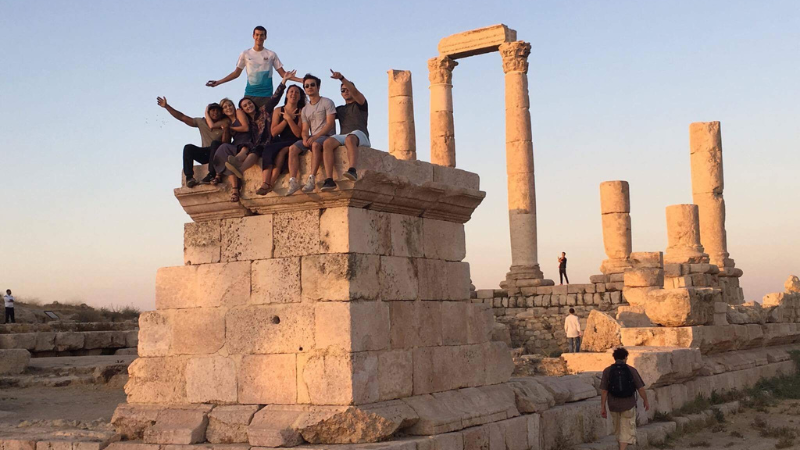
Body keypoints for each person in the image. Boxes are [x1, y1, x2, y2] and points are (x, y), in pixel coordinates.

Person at [224, 70, 295, 184]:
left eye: (249, 103)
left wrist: (284, 80)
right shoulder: (248, 122)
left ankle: (240, 167)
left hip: (271, 141)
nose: (248, 106)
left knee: (257, 149)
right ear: (242, 110)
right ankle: (239, 165)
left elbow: (275, 98)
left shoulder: (264, 110)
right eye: (245, 106)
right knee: (252, 149)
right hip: (258, 146)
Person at [206, 26, 301, 107]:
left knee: (266, 124)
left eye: (262, 35)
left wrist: (302, 80)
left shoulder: (271, 54)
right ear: (253, 36)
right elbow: (236, 73)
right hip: (250, 94)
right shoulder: (245, 54)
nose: (259, 37)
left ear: (265, 37)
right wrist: (219, 82)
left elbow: (283, 74)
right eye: (257, 35)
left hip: (266, 95)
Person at [156, 97, 227, 187]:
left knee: (215, 143)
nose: (215, 112)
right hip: (206, 154)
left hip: (218, 154)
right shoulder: (202, 122)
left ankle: (211, 175)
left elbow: (226, 142)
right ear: (208, 113)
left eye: (218, 111)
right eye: (213, 110)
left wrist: (226, 130)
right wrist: (166, 106)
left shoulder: (225, 124)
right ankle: (189, 177)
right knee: (188, 147)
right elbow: (182, 117)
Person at [285, 74, 336, 195]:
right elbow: (305, 128)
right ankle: (293, 181)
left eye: (312, 85)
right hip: (313, 137)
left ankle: (312, 178)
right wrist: (304, 138)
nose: (309, 87)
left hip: (326, 136)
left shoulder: (327, 102)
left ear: (318, 87)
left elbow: (330, 124)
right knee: (292, 148)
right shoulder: (305, 109)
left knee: (315, 145)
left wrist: (316, 137)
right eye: (306, 86)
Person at [319, 69, 370, 191]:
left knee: (350, 138)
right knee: (327, 143)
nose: (346, 91)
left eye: (348, 89)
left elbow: (356, 93)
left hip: (359, 134)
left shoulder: (361, 104)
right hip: (344, 135)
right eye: (343, 90)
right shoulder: (340, 109)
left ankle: (352, 170)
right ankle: (329, 180)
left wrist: (342, 78)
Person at [253, 83, 306, 195]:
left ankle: (270, 183)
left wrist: (290, 120)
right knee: (268, 149)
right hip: (280, 140)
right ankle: (265, 182)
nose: (294, 94)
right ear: (286, 95)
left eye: (297, 92)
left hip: (294, 141)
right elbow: (273, 132)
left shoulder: (302, 111)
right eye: (291, 91)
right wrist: (285, 120)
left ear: (300, 96)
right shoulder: (278, 110)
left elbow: (298, 134)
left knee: (282, 152)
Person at [600, 347, 649, 450]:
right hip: (628, 404)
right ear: (626, 357)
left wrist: (603, 407)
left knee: (618, 430)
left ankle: (620, 448)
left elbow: (604, 391)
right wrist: (645, 400)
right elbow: (640, 388)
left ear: (614, 358)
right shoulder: (631, 370)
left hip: (613, 405)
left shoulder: (607, 371)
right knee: (626, 430)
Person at [210, 98, 252, 202]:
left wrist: (230, 128)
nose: (228, 108)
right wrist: (225, 130)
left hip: (248, 140)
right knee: (222, 149)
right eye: (225, 107)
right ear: (223, 111)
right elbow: (212, 126)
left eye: (230, 105)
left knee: (239, 152)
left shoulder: (239, 112)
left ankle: (234, 189)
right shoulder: (227, 121)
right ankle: (232, 187)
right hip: (237, 143)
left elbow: (246, 128)